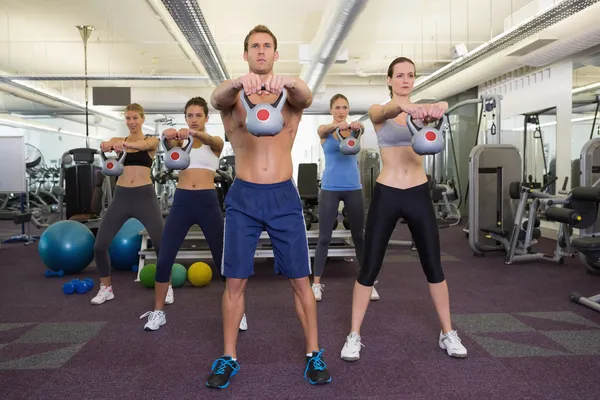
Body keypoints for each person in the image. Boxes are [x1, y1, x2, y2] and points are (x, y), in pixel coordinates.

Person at [204, 24, 331, 389]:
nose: (261, 51)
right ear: (246, 54)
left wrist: (287, 81)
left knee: (300, 281)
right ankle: (228, 357)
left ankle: (314, 353)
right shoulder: (234, 101)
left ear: (276, 54)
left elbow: (306, 97)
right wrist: (237, 83)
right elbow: (216, 98)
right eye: (255, 46)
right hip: (243, 197)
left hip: (282, 197)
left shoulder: (290, 99)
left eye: (268, 46)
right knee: (235, 282)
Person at [340, 57, 468, 361]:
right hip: (387, 193)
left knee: (433, 266)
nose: (405, 80)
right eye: (399, 76)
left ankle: (447, 332)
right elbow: (383, 111)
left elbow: (445, 104)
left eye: (410, 75)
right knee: (369, 267)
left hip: (418, 193)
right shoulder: (379, 112)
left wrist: (436, 108)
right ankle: (354, 335)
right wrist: (406, 108)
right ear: (389, 80)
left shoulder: (422, 113)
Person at [139, 97, 247, 332]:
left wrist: (192, 134)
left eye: (198, 115)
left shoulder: (214, 142)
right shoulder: (180, 145)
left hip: (208, 202)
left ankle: (239, 311)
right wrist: (167, 136)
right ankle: (158, 312)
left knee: (222, 260)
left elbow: (209, 138)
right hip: (182, 202)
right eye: (190, 115)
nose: (194, 120)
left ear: (206, 118)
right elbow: (164, 149)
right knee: (165, 257)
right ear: (186, 117)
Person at [91, 103, 164, 305]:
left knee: (161, 244)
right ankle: (106, 288)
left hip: (145, 196)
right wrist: (106, 145)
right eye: (128, 118)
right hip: (121, 196)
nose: (131, 122)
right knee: (100, 245)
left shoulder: (151, 140)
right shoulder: (119, 140)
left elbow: (143, 146)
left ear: (142, 119)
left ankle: (166, 288)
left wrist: (126, 146)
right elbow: (107, 142)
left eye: (135, 118)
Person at [312, 94, 379, 302]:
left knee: (359, 235)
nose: (341, 111)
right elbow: (322, 131)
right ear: (331, 109)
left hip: (353, 187)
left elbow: (364, 129)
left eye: (344, 107)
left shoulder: (355, 130)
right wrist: (336, 128)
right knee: (324, 237)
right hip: (331, 187)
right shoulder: (325, 130)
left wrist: (357, 126)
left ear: (348, 109)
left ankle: (368, 282)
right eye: (337, 107)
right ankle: (316, 284)